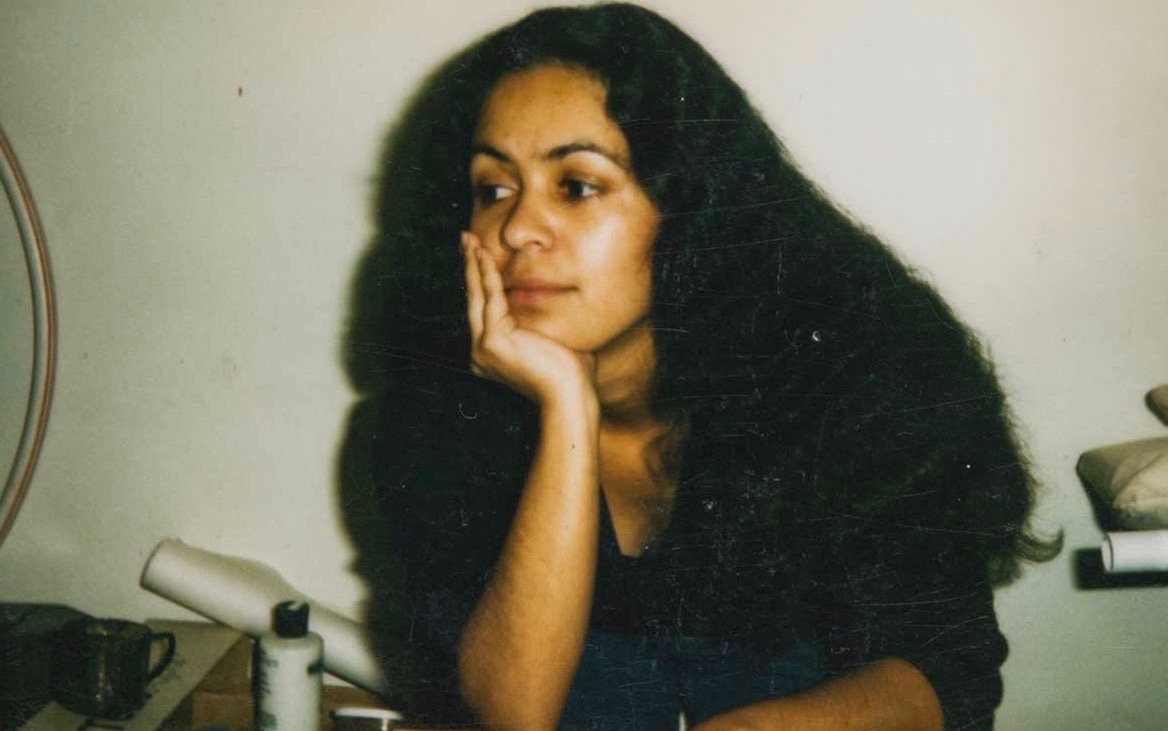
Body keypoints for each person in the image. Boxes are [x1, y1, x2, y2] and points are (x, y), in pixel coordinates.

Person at [344, 4, 1057, 729]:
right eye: (494, 189)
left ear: (688, 204)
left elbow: (944, 674)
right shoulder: (435, 411)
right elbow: (513, 713)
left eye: (577, 185)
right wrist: (566, 406)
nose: (518, 228)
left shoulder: (860, 372)